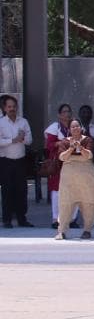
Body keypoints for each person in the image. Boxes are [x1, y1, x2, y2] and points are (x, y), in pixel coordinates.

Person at [53, 120, 94, 240]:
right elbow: (62, 157)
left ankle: (87, 230)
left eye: (77, 126)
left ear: (81, 128)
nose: (75, 128)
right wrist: (71, 149)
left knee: (88, 201)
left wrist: (80, 148)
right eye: (73, 127)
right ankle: (62, 231)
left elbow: (89, 155)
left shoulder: (87, 140)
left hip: (86, 175)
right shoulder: (65, 141)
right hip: (69, 176)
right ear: (69, 129)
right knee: (65, 202)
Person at [0, 94, 34, 227]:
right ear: (5, 108)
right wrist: (12, 140)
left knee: (21, 190)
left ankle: (22, 218)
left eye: (14, 106)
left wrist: (22, 139)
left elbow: (30, 140)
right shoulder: (1, 122)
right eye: (9, 107)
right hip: (6, 161)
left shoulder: (23, 122)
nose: (12, 109)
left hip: (20, 160)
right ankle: (7, 219)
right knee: (7, 190)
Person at [44, 103, 72, 227]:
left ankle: (71, 219)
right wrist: (63, 143)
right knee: (57, 190)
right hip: (57, 162)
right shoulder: (54, 127)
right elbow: (49, 145)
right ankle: (56, 219)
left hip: (72, 161)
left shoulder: (75, 126)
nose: (67, 114)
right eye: (64, 111)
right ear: (59, 115)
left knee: (73, 188)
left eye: (68, 111)